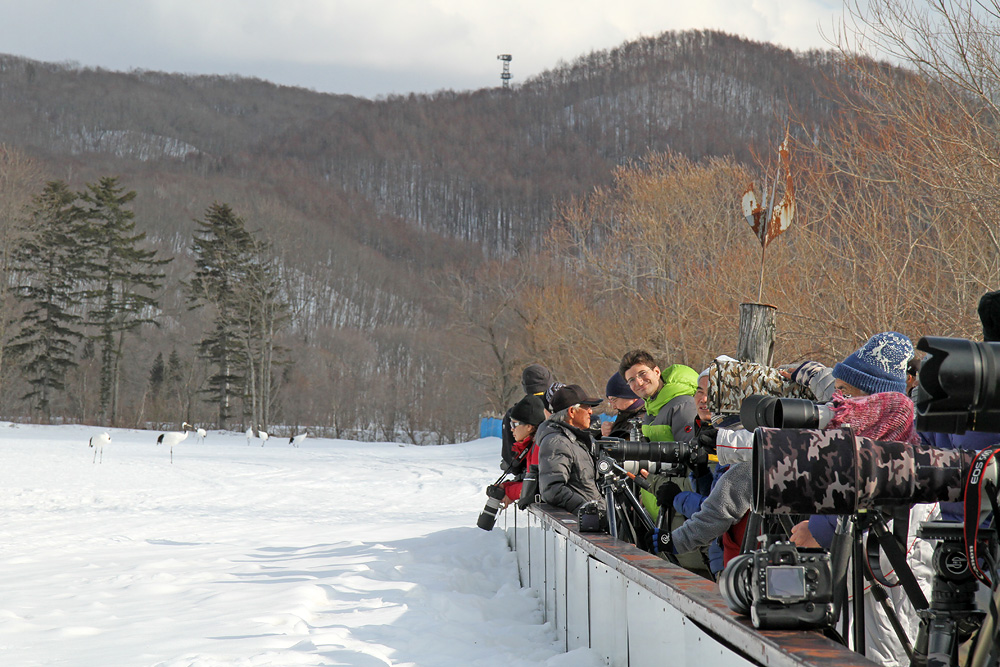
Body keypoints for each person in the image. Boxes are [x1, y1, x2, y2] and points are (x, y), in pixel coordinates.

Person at [536, 384, 605, 514]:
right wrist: (587, 510)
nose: (591, 411)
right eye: (586, 407)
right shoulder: (557, 442)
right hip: (588, 522)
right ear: (571, 412)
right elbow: (552, 490)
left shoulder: (574, 438)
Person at [501, 364, 554, 475]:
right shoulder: (561, 409)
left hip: (528, 475)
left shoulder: (515, 413)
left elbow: (510, 457)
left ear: (524, 386)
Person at [498, 394, 547, 506]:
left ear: (529, 426)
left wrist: (510, 492)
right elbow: (529, 478)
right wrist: (506, 486)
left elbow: (537, 485)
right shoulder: (532, 445)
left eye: (515, 424)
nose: (511, 429)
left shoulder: (539, 447)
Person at [601, 371, 645, 439]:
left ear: (632, 397)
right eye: (610, 401)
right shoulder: (626, 416)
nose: (614, 407)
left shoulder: (643, 421)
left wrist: (614, 434)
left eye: (614, 400)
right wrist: (608, 432)